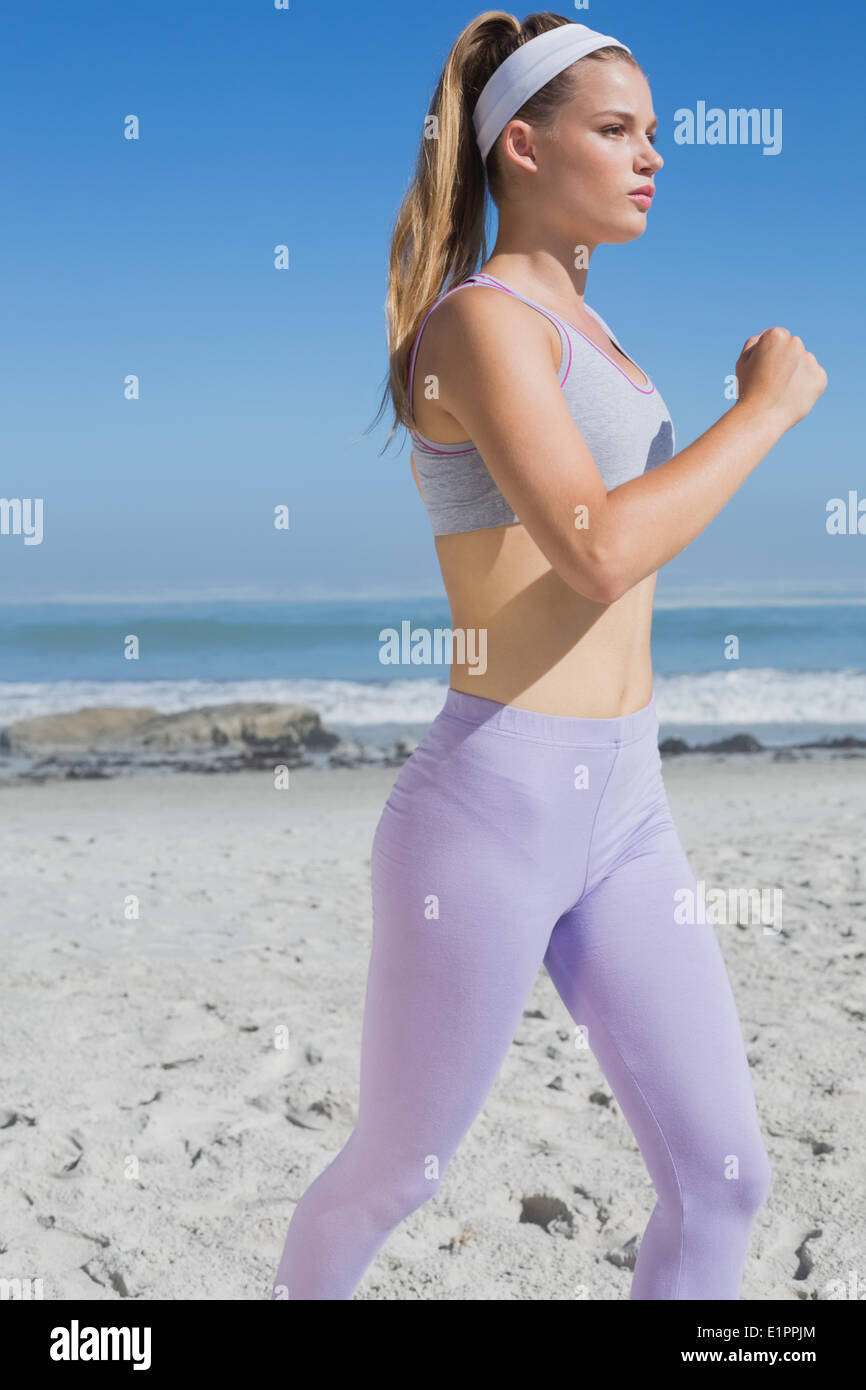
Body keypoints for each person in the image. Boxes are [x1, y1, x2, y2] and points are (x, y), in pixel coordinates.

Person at [272, 11, 826, 1300]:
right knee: (398, 1171)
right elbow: (594, 550)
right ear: (521, 145)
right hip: (495, 802)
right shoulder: (475, 324)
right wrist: (763, 412)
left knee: (726, 1178)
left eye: (658, 134)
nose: (654, 158)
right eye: (618, 130)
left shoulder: (598, 335)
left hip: (628, 803)